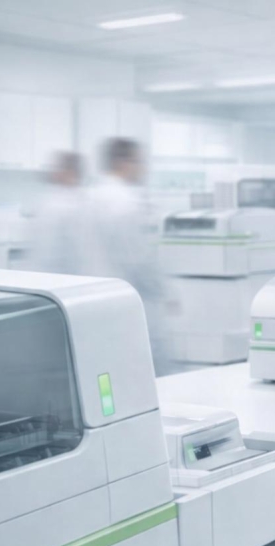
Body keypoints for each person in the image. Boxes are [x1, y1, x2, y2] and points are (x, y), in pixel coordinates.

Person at [84, 138, 177, 375]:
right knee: (144, 371)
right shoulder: (128, 202)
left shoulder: (89, 197)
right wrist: (164, 292)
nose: (143, 168)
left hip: (92, 299)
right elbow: (139, 258)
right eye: (139, 161)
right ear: (123, 162)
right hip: (129, 298)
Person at [29, 151, 85, 274]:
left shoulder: (48, 201)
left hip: (45, 274)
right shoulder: (68, 204)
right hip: (61, 275)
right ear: (71, 172)